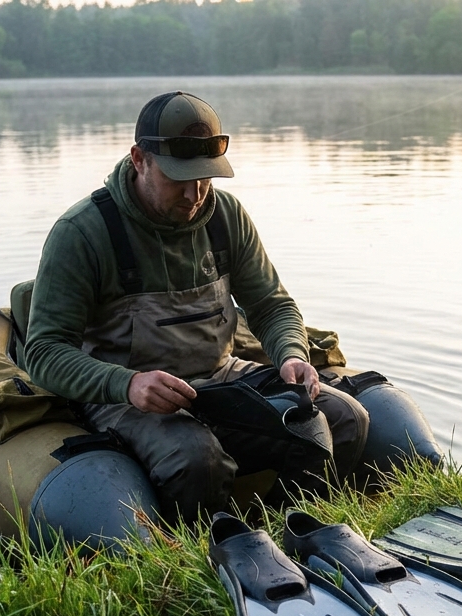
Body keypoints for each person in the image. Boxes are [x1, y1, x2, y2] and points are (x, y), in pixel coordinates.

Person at [22, 91, 368, 526]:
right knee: (197, 460)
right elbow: (45, 352)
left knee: (347, 418)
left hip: (222, 377)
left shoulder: (226, 215)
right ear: (139, 160)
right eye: (178, 178)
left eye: (205, 178)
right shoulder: (82, 233)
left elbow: (271, 305)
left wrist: (291, 354)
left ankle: (288, 530)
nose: (194, 194)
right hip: (124, 395)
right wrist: (127, 384)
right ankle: (200, 550)